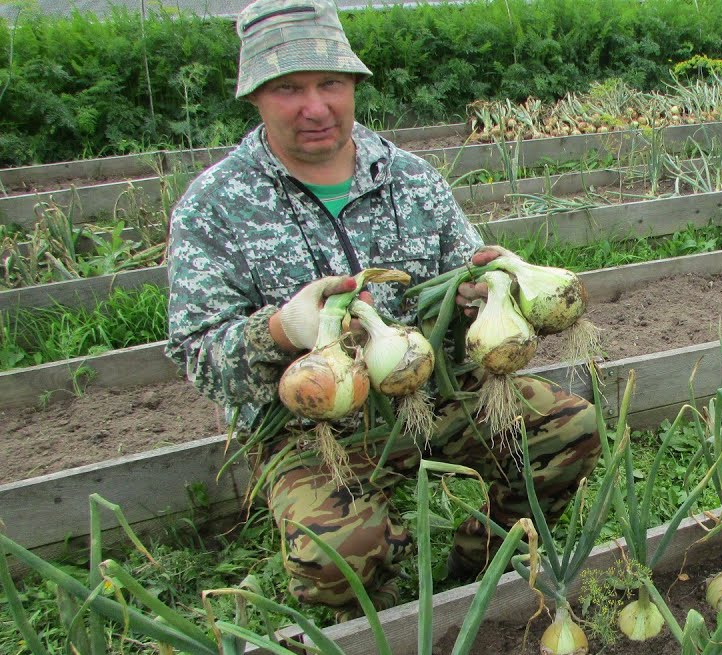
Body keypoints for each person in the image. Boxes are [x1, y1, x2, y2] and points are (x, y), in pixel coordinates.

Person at [165, 0, 601, 620]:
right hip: (312, 425)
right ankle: (376, 628)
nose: (314, 106)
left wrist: (481, 294)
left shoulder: (411, 178)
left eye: (330, 84)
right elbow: (197, 356)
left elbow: (463, 276)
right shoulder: (216, 205)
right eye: (288, 88)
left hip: (436, 394)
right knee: (336, 551)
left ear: (352, 87)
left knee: (568, 429)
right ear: (256, 97)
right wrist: (280, 332)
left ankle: (484, 575)